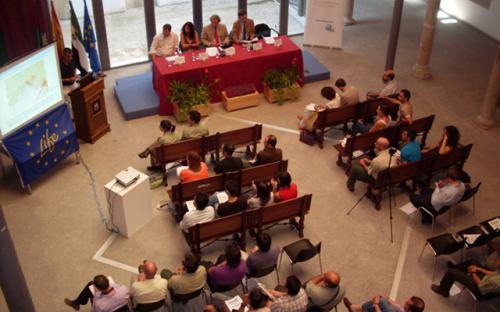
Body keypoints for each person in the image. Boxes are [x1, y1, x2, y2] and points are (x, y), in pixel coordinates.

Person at [431, 255, 500, 300]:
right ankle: (456, 269)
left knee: (451, 272)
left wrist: (473, 272)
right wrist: (478, 268)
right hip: (487, 282)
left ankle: (443, 290)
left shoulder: (496, 281)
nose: (496, 259)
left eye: (498, 259)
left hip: (480, 291)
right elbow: (493, 273)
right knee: (473, 262)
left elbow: (480, 285)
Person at [64, 275, 129, 312]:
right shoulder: (124, 289)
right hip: (122, 308)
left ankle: (77, 303)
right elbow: (117, 286)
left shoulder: (99, 304)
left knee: (90, 285)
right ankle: (77, 302)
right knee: (90, 284)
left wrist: (97, 293)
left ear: (98, 289)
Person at [343, 295, 425, 312]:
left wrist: (376, 304)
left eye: (407, 304)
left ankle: (355, 308)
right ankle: (357, 308)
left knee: (380, 304)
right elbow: (396, 305)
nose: (405, 301)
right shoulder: (405, 310)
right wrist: (381, 296)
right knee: (382, 301)